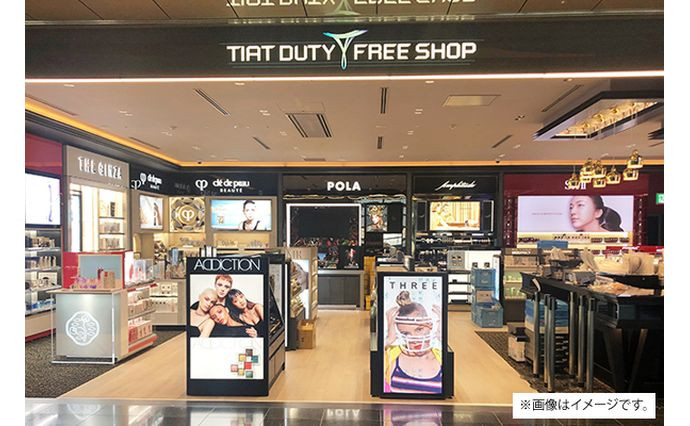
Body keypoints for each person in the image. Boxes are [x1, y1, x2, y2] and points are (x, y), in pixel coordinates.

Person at [383, 291, 442, 394]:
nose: (414, 339)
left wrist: (443, 338)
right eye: (406, 333)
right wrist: (388, 339)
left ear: (430, 325)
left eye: (419, 329)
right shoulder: (391, 356)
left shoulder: (441, 357)